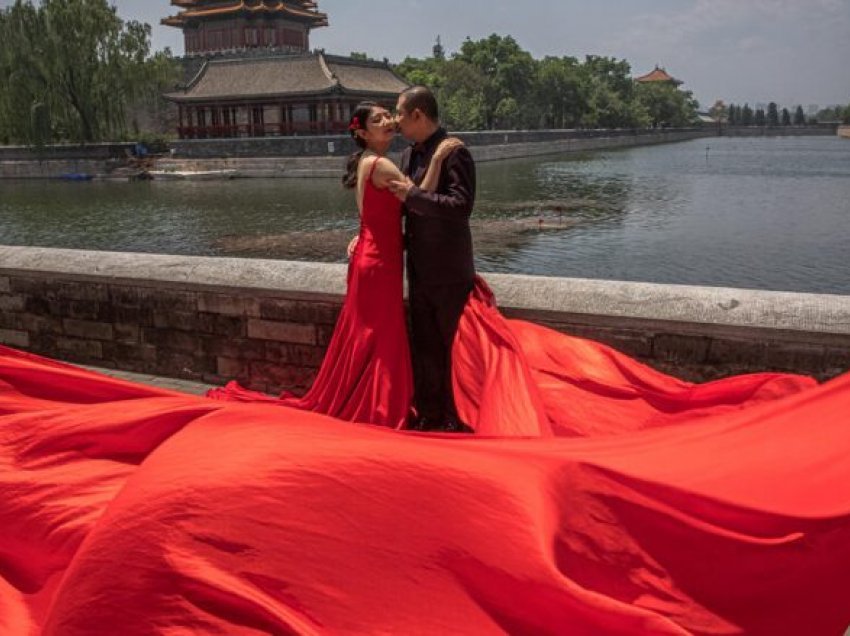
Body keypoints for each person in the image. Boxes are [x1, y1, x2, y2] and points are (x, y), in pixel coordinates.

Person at [387, 86, 477, 432]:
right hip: (419, 270)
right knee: (424, 347)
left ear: (417, 115)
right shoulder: (409, 156)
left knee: (453, 347)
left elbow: (461, 207)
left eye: (399, 112)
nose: (396, 120)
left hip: (450, 270)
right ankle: (429, 414)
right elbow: (401, 207)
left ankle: (456, 416)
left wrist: (414, 196)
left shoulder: (455, 152)